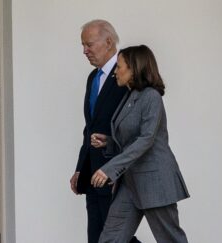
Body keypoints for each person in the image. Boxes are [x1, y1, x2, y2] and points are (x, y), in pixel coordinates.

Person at [90, 45, 190, 243]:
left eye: (119, 67)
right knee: (110, 238)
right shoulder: (130, 96)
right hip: (130, 182)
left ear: (134, 69)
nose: (115, 73)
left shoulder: (151, 97)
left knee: (170, 239)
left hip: (155, 181)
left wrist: (110, 169)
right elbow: (131, 138)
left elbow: (146, 139)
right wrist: (108, 142)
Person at [70, 20, 140, 243]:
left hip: (117, 174)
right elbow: (89, 128)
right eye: (83, 45)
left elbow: (136, 127)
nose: (85, 51)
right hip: (93, 174)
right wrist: (81, 168)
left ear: (109, 42)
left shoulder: (127, 75)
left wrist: (111, 144)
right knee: (97, 236)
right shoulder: (93, 77)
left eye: (89, 44)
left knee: (116, 237)